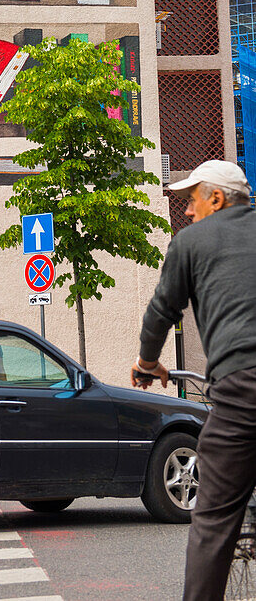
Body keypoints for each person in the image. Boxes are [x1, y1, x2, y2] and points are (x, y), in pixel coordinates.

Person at [131, 159, 256, 601]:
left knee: (213, 519)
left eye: (192, 200)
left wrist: (148, 364)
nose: (187, 211)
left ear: (217, 199)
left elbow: (161, 312)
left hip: (241, 392)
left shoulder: (191, 243)